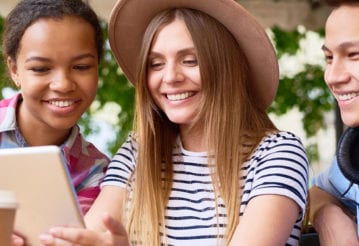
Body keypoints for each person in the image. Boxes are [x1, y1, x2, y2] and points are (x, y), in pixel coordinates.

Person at [39, 0, 309, 245]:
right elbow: (87, 236)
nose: (170, 77)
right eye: (156, 64)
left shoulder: (277, 153)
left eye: (190, 61)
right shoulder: (138, 151)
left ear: (227, 67)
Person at [0, 0, 110, 245]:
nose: (62, 84)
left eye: (81, 66)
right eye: (40, 68)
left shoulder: (98, 171)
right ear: (15, 70)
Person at [309, 0, 359, 245]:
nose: (333, 76)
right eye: (329, 58)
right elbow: (316, 193)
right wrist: (330, 218)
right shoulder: (351, 158)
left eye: (354, 55)